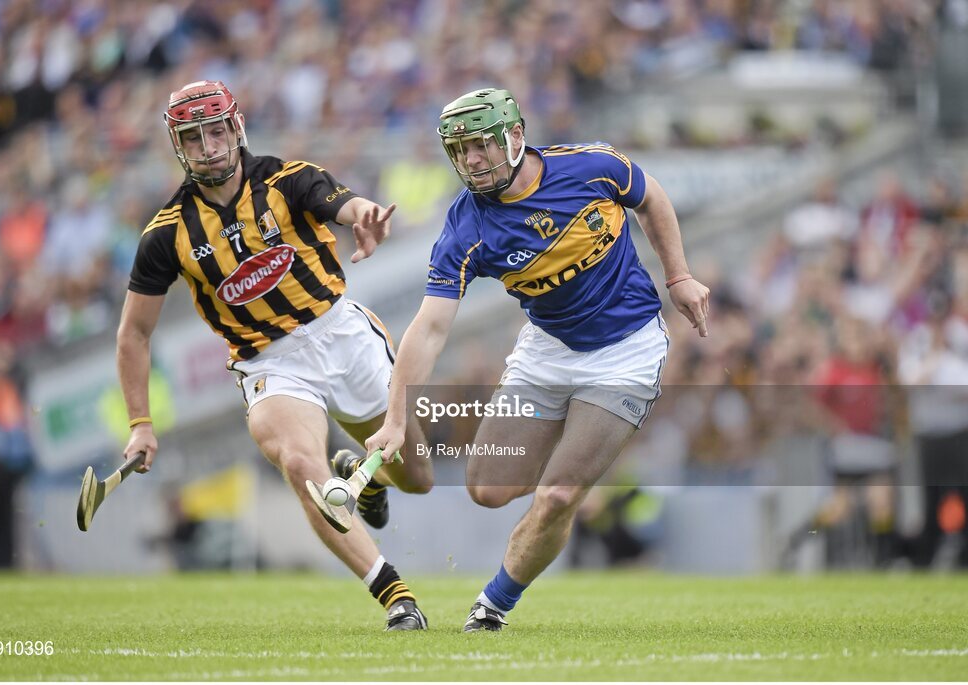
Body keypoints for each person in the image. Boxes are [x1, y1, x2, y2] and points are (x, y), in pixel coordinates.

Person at [366, 88, 709, 631]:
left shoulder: (592, 167)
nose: (472, 161)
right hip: (545, 354)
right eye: (460, 151)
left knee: (557, 494)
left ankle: (492, 607)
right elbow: (429, 328)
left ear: (516, 136)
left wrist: (679, 275)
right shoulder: (467, 226)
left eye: (481, 145)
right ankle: (574, 464)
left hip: (626, 353)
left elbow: (652, 198)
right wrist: (395, 417)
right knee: (487, 489)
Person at [118, 80, 433, 630]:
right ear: (178, 147)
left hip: (342, 334)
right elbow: (133, 335)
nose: (209, 146)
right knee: (299, 462)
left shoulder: (288, 180)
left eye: (217, 131)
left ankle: (369, 476)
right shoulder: (166, 233)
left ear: (236, 128)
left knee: (420, 477)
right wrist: (140, 423)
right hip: (269, 363)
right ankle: (395, 597)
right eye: (194, 138)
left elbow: (342, 202)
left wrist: (364, 215)